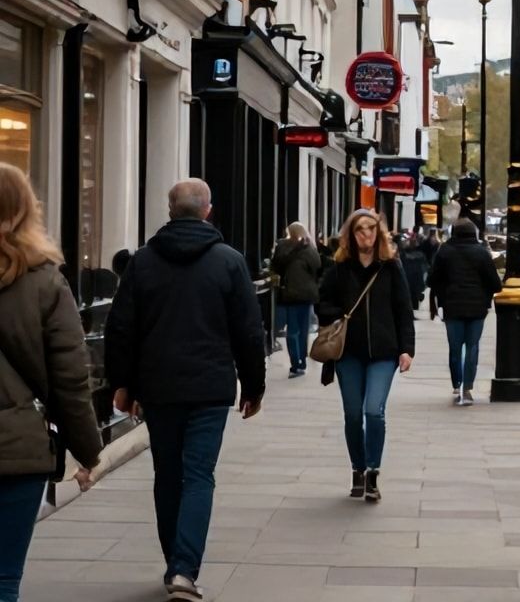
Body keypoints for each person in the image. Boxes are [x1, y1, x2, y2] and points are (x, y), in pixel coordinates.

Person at [106, 179, 265, 602]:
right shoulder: (230, 262)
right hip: (210, 386)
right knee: (198, 475)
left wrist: (120, 384)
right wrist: (253, 385)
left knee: (168, 475)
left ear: (170, 210)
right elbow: (249, 331)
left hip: (158, 385)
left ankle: (174, 561)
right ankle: (184, 568)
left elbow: (121, 327)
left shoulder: (142, 263)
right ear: (208, 211)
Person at [0, 163, 103, 602]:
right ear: (25, 211)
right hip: (16, 450)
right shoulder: (44, 282)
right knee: (3, 579)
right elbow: (69, 379)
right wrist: (88, 450)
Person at [316, 210, 414, 503]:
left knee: (374, 410)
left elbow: (403, 310)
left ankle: (372, 471)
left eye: (371, 230)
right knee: (352, 413)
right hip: (348, 352)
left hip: (384, 352)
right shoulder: (339, 268)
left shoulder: (390, 267)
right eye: (360, 231)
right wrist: (340, 315)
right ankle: (357, 468)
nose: (366, 236)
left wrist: (407, 349)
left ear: (379, 233)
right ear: (351, 234)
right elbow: (322, 304)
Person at [428, 220, 502, 406]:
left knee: (454, 348)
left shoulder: (444, 251)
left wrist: (442, 296)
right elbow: (495, 283)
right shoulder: (482, 253)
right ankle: (467, 387)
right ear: (473, 234)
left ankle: (457, 383)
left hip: (452, 307)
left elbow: (432, 279)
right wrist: (485, 296)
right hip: (477, 308)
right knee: (472, 347)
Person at [269, 222, 324, 378]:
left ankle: (298, 362)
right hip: (301, 295)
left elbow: (277, 265)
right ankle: (300, 362)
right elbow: (317, 267)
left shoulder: (286, 247)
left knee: (295, 330)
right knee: (300, 330)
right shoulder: (306, 248)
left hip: (294, 294)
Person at [399, 231, 429, 311]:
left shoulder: (403, 255)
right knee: (414, 296)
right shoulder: (420, 255)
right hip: (416, 278)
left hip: (408, 277)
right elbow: (424, 269)